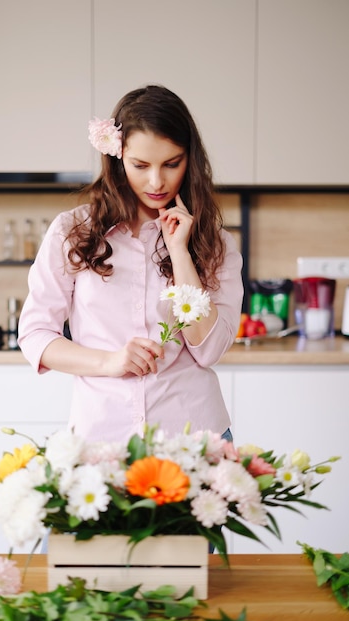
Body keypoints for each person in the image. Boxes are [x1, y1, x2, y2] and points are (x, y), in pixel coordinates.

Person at [18, 84, 243, 443]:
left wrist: (180, 252)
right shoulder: (73, 232)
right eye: (141, 165)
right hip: (102, 439)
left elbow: (210, 349)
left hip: (195, 438)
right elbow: (35, 335)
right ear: (118, 157)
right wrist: (110, 362)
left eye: (172, 164)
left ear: (190, 160)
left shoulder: (215, 244)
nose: (157, 181)